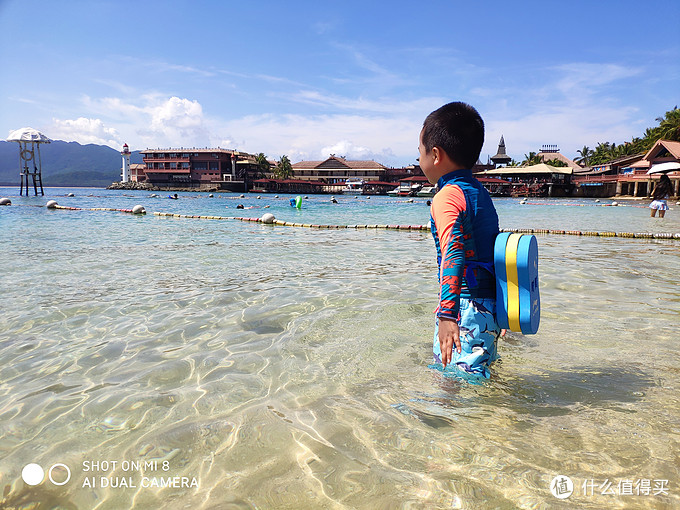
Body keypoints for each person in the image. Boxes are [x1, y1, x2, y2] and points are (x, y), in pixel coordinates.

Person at [418, 102, 503, 379]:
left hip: (464, 308)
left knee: (452, 379)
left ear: (435, 154)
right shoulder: (480, 192)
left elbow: (453, 252)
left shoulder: (446, 196)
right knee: (478, 374)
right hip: (488, 306)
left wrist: (447, 313)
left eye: (419, 152)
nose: (419, 160)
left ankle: (445, 419)